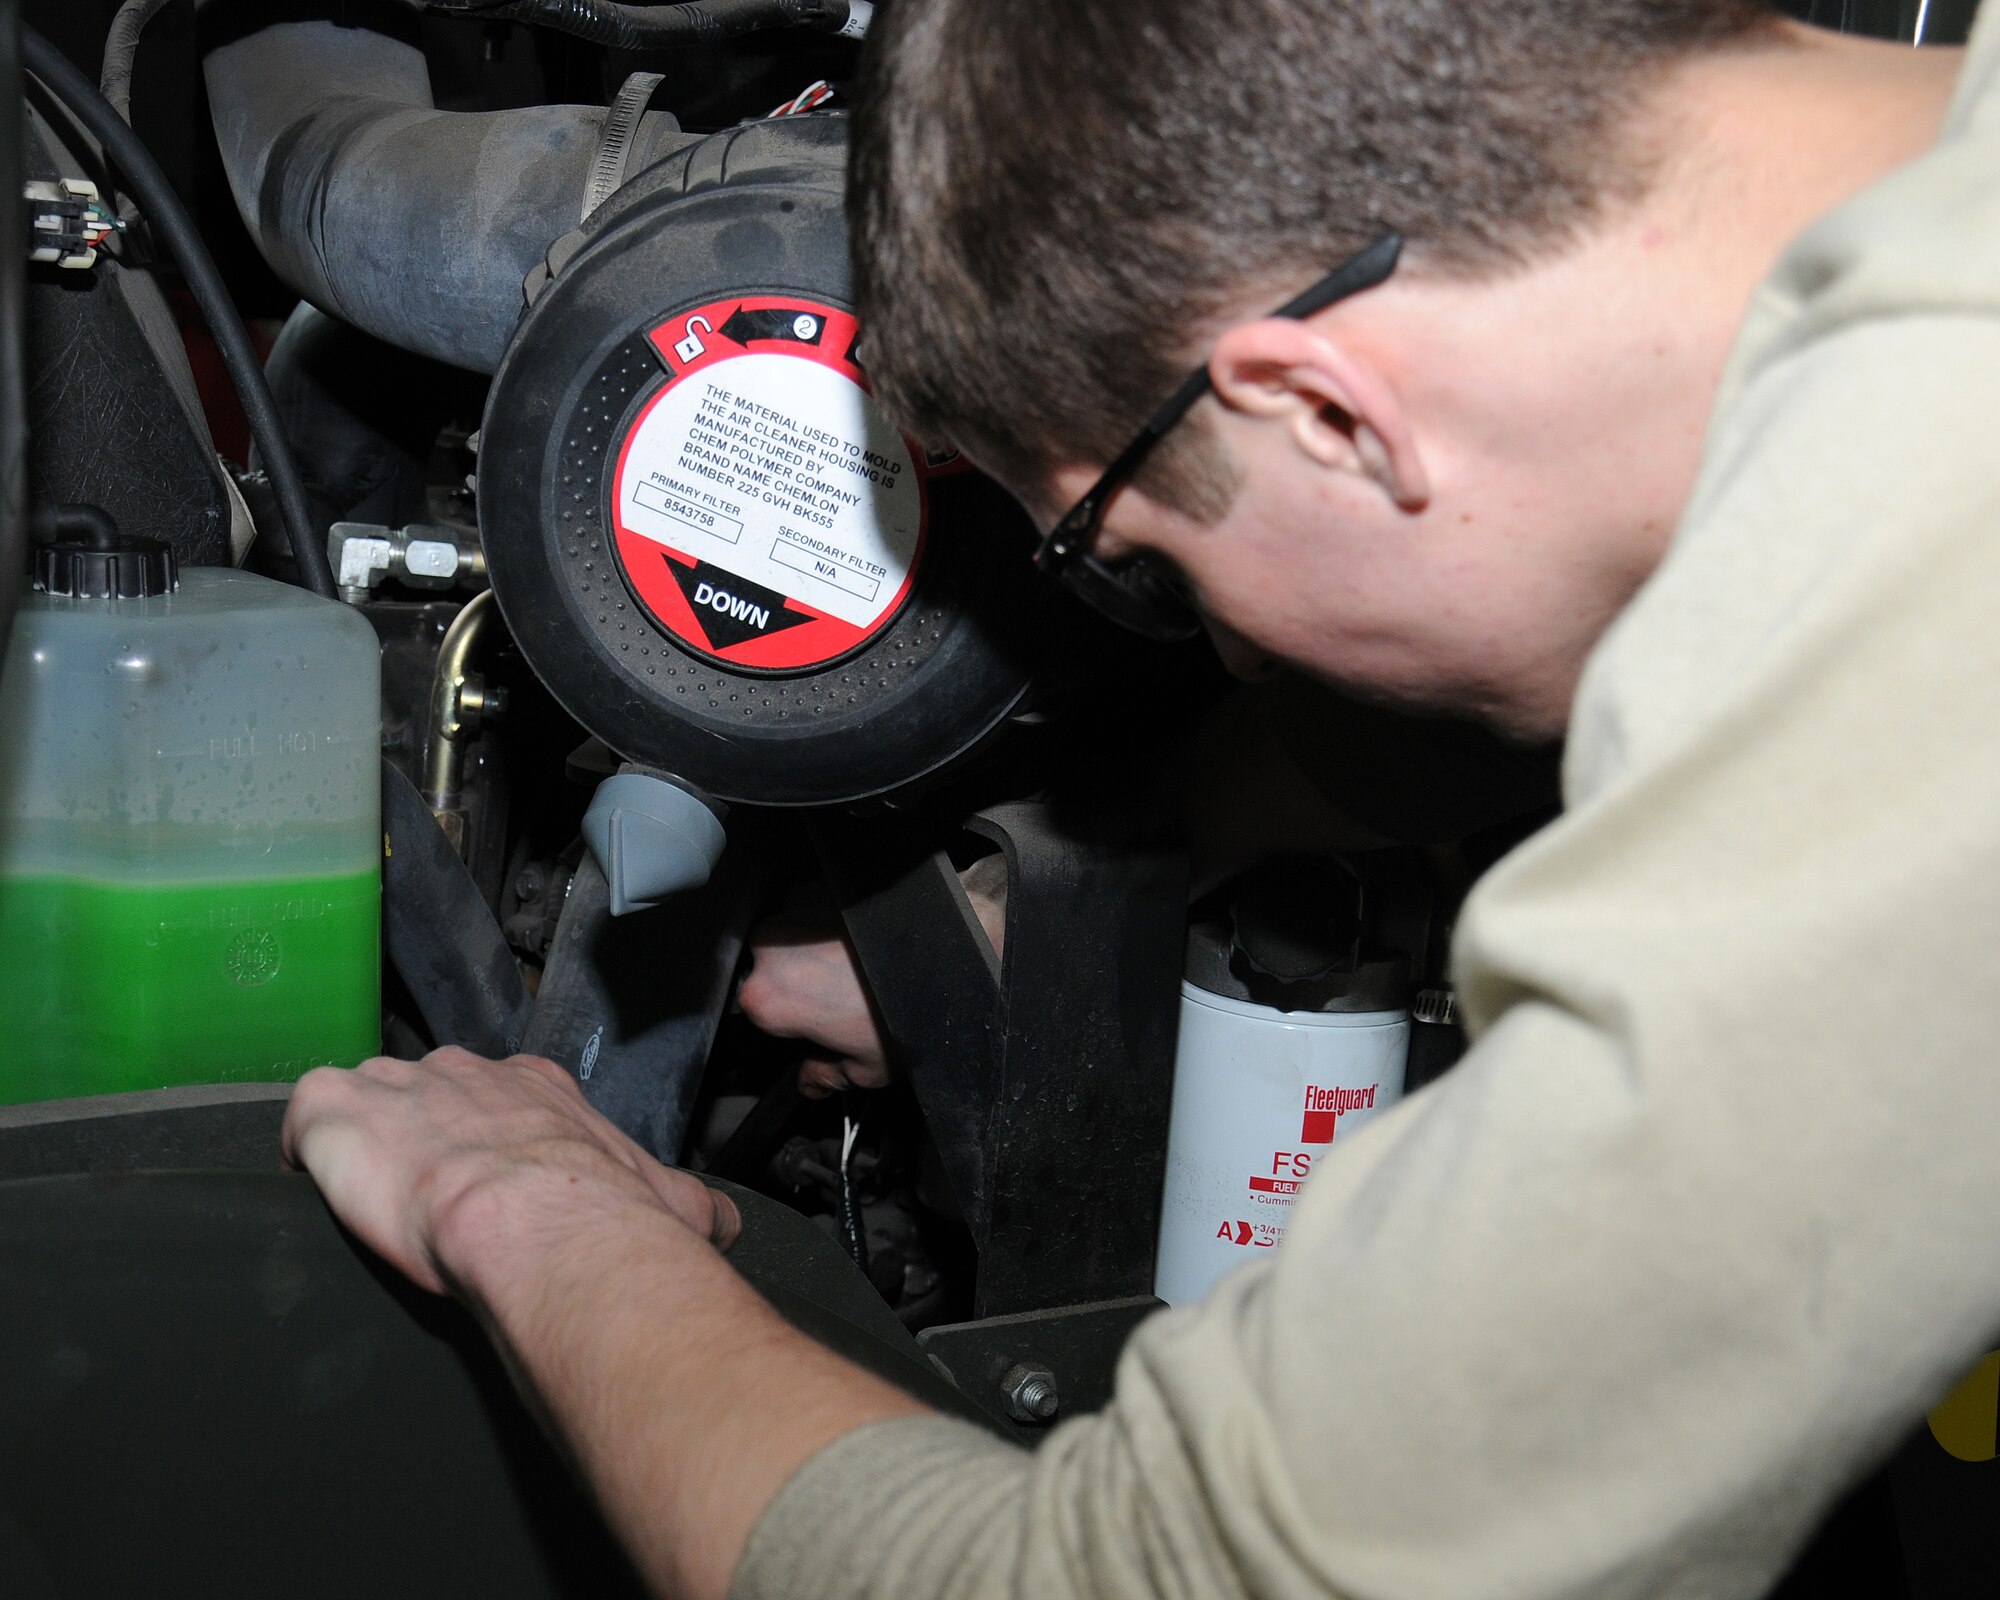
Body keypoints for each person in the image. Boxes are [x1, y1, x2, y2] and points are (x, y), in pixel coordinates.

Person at [282, 2, 2000, 1596]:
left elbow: (1120, 1578)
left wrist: (531, 1207)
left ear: (1325, 409)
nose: (1234, 654)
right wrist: (1034, 890)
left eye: (1143, 568)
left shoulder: (1927, 630)